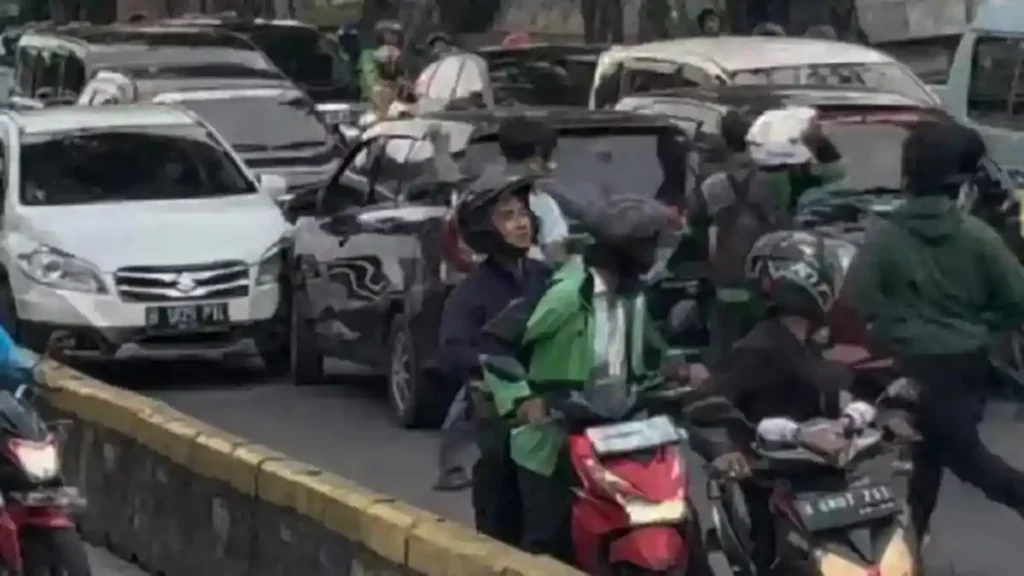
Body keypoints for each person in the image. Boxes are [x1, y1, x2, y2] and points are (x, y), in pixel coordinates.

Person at [840, 121, 1024, 542]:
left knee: (958, 457)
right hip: (965, 366)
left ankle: (911, 538)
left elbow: (855, 301)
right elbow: (1016, 299)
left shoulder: (883, 239)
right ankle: (912, 539)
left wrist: (891, 327)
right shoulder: (980, 239)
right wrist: (980, 328)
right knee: (933, 453)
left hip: (901, 365)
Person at [479, 194, 681, 563]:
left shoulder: (633, 298)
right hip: (553, 437)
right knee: (547, 544)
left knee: (673, 518)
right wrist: (524, 397)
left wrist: (679, 370)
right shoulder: (567, 295)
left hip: (614, 431)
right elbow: (494, 344)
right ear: (626, 251)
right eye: (648, 245)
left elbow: (651, 352)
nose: (654, 254)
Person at [686, 230, 896, 575]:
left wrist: (890, 415)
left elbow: (864, 395)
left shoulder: (809, 347)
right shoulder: (758, 349)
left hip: (830, 485)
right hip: (775, 491)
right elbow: (705, 408)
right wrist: (726, 450)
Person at [435, 171, 552, 544]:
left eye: (522, 213)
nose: (520, 223)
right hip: (502, 429)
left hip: (556, 414)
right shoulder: (472, 293)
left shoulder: (545, 276)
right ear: (485, 229)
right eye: (507, 216)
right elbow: (453, 350)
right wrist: (494, 368)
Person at [497, 116, 571, 265]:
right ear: (535, 163)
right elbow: (557, 256)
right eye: (551, 159)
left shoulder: (476, 197)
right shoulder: (541, 204)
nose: (554, 166)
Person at [360, 20, 404, 102]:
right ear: (382, 35)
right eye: (392, 34)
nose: (396, 37)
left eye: (397, 34)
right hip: (373, 101)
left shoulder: (400, 54)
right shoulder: (369, 55)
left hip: (396, 100)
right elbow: (370, 78)